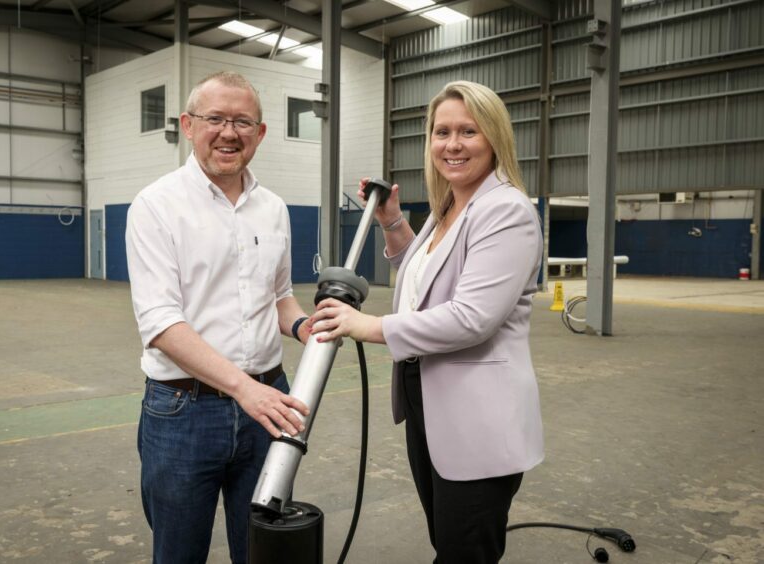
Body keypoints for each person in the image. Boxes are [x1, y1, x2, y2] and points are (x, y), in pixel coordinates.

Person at [310, 80, 544, 563]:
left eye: (468, 132)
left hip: (477, 417)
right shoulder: (451, 207)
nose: (452, 144)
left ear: (494, 138)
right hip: (429, 399)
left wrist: (368, 326)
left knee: (463, 553)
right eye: (442, 132)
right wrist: (394, 222)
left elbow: (470, 317)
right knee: (448, 541)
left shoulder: (505, 210)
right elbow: (427, 283)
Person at [125, 71, 312, 564]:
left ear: (261, 133)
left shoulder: (273, 209)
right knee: (179, 552)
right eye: (215, 119)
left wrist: (302, 326)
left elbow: (280, 297)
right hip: (184, 412)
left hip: (268, 403)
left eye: (242, 122)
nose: (229, 132)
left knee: (262, 549)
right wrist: (242, 389)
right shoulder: (156, 206)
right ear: (188, 125)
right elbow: (162, 324)